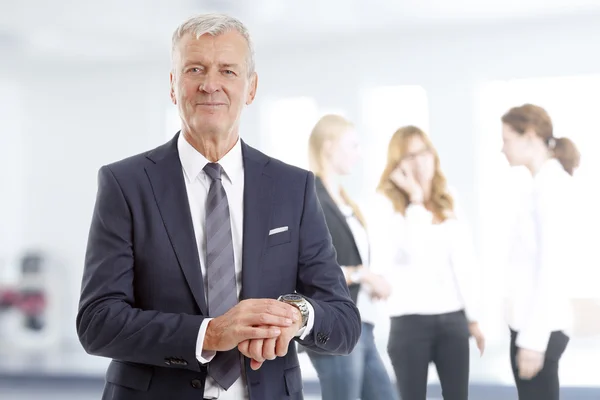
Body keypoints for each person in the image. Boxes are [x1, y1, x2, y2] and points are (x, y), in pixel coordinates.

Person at [76, 14, 361, 400]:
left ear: (251, 87)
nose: (211, 85)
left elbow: (343, 321)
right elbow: (98, 321)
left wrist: (296, 317)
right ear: (174, 86)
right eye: (195, 69)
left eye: (228, 70)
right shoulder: (125, 184)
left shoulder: (293, 187)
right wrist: (210, 333)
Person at [369, 126, 485, 400]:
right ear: (397, 166)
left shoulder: (449, 199)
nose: (420, 161)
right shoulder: (386, 204)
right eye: (410, 156)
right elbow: (414, 250)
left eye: (424, 152)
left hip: (453, 319)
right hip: (410, 322)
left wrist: (474, 318)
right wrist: (416, 200)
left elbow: (464, 264)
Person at [304, 115, 399, 400]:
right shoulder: (310, 199)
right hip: (333, 325)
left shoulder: (344, 201)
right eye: (353, 145)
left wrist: (368, 279)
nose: (360, 154)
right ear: (330, 146)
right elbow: (310, 270)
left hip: (360, 324)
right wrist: (364, 275)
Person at [500, 104, 579, 400]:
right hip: (533, 324)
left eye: (506, 139)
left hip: (539, 330)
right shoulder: (541, 184)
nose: (502, 148)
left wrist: (533, 340)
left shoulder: (551, 186)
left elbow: (551, 268)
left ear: (530, 136)